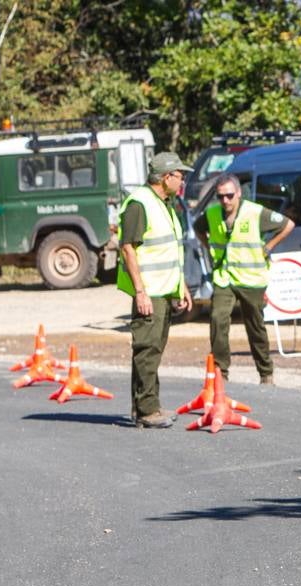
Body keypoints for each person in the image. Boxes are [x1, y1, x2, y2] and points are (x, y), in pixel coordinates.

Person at [118, 151, 194, 428]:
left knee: (152, 350)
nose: (182, 179)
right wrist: (140, 292)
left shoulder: (164, 203)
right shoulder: (140, 204)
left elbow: (169, 251)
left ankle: (145, 407)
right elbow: (129, 248)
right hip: (149, 292)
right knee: (147, 350)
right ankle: (148, 410)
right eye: (179, 175)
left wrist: (181, 286)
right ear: (165, 177)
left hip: (164, 290)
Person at [197, 173, 294, 385]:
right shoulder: (212, 213)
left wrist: (268, 247)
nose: (225, 201)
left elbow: (288, 225)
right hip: (225, 277)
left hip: (251, 279)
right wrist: (210, 249)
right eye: (220, 196)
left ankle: (265, 372)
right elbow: (198, 229)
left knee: (255, 326)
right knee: (217, 318)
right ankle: (221, 372)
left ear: (239, 193)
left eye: (230, 196)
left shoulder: (255, 212)